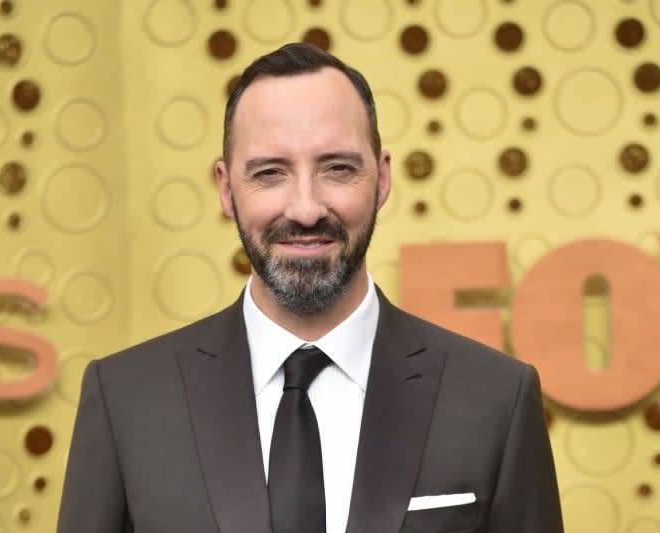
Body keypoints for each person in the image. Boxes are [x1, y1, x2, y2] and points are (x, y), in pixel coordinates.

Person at [57, 43, 563, 533]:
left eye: (337, 169)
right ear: (226, 188)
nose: (305, 208)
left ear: (382, 179)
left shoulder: (497, 399)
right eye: (270, 173)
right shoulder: (125, 400)